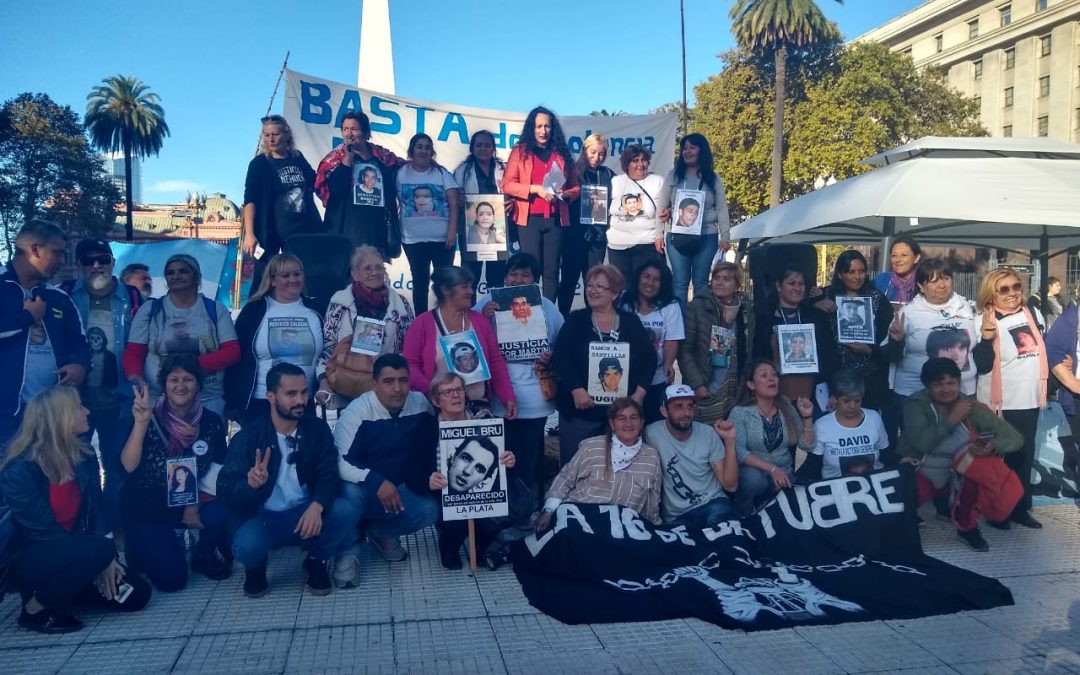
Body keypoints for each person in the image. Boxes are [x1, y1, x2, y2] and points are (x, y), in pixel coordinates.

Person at [0, 387, 151, 633]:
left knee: (137, 594)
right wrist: (97, 558)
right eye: (79, 407)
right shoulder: (19, 469)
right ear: (61, 417)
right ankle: (33, 609)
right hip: (31, 558)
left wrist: (107, 560)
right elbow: (42, 531)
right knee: (100, 550)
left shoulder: (84, 455)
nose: (87, 411)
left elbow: (98, 511)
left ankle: (66, 595)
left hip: (80, 552)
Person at [217, 363, 354, 598]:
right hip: (263, 518)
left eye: (303, 392)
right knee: (247, 544)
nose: (300, 400)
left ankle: (316, 560)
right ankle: (256, 567)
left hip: (305, 512)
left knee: (345, 509)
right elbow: (226, 491)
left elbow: (329, 474)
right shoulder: (248, 438)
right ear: (271, 397)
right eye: (291, 394)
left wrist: (318, 504)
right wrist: (250, 486)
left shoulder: (316, 429)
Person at [120, 354, 231, 591]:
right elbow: (128, 466)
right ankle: (142, 547)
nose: (181, 386)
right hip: (150, 508)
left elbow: (219, 469)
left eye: (188, 379)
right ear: (165, 384)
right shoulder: (147, 417)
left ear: (198, 384)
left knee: (227, 507)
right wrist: (140, 424)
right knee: (172, 581)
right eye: (174, 379)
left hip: (194, 503)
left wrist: (191, 505)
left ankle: (203, 554)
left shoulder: (211, 421)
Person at [899, 358, 1024, 552]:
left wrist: (991, 445)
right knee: (905, 499)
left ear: (959, 383)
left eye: (951, 383)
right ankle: (903, 525)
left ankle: (967, 529)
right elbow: (921, 442)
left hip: (958, 470)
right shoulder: (915, 404)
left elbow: (1014, 437)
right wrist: (953, 418)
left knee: (977, 474)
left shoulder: (970, 406)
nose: (946, 389)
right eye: (938, 384)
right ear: (927, 387)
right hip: (922, 466)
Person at [332, 355, 439, 577]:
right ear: (374, 384)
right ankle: (347, 551)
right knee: (347, 498)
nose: (398, 388)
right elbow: (338, 461)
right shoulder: (357, 412)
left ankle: (381, 533)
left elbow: (440, 434)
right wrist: (376, 481)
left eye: (403, 380)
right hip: (364, 488)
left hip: (399, 489)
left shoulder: (420, 403)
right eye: (389, 382)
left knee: (430, 509)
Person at [64, 237, 144, 534]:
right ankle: (92, 530)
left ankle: (112, 530)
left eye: (102, 258)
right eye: (88, 260)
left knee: (118, 470)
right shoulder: (65, 297)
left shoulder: (134, 298)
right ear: (79, 265)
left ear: (112, 261)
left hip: (120, 400)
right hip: (76, 404)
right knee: (80, 472)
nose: (96, 265)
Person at [476, 253, 565, 500]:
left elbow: (564, 344)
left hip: (535, 400)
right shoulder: (487, 302)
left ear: (534, 281)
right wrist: (482, 318)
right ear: (504, 278)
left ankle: (523, 515)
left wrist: (551, 357)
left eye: (524, 274)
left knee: (524, 463)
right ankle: (498, 515)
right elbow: (466, 340)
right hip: (495, 399)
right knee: (494, 459)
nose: (517, 279)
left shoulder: (547, 307)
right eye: (512, 274)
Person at [551, 264, 656, 465]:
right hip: (581, 412)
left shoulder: (630, 322)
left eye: (600, 286)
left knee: (618, 467)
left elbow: (650, 360)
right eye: (589, 285)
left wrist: (638, 396)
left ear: (615, 293)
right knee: (577, 466)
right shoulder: (576, 319)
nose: (592, 290)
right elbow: (560, 357)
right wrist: (576, 389)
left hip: (620, 414)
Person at [0, 220, 89, 448]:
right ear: (35, 249)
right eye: (57, 253)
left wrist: (80, 365)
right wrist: (27, 317)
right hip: (6, 418)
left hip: (52, 417)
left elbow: (79, 342)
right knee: (10, 481)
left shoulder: (59, 298)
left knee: (51, 481)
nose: (62, 261)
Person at [415, 372, 516, 569]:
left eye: (459, 390)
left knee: (487, 522)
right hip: (444, 492)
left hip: (481, 493)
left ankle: (482, 546)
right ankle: (449, 546)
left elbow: (505, 454)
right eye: (448, 392)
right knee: (455, 523)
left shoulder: (485, 419)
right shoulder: (427, 427)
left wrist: (509, 459)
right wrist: (428, 481)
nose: (455, 396)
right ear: (436, 401)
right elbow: (413, 469)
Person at [972, 268, 1047, 529]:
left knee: (1023, 457)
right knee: (996, 459)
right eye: (1004, 289)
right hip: (998, 404)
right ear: (991, 294)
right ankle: (995, 510)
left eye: (1016, 287)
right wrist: (985, 337)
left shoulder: (1032, 313)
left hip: (1029, 399)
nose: (1013, 293)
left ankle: (1019, 508)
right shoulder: (983, 319)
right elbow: (981, 366)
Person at [124, 255, 239, 417]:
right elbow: (134, 352)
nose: (176, 276)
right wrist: (135, 377)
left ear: (197, 278)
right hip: (159, 399)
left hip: (207, 399)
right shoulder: (149, 310)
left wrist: (186, 367)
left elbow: (232, 351)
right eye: (170, 273)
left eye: (183, 271)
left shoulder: (215, 310)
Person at [402, 266, 517, 418]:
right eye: (464, 287)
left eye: (471, 286)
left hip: (479, 408)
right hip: (438, 410)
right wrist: (432, 390)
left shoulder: (480, 322)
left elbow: (496, 362)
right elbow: (410, 365)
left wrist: (508, 397)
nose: (471, 291)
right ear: (445, 289)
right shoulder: (422, 324)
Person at [226, 254, 326, 425]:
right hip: (261, 401)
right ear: (272, 280)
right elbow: (237, 359)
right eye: (285, 276)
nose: (293, 280)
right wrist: (232, 401)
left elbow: (328, 352)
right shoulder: (254, 311)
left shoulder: (317, 309)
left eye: (297, 274)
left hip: (303, 401)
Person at [536, 398, 661, 531]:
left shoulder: (651, 457)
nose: (628, 423)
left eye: (633, 417)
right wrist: (548, 511)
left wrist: (654, 530)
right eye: (621, 418)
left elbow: (652, 503)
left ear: (641, 423)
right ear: (612, 424)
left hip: (622, 528)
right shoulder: (591, 447)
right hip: (580, 519)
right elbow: (565, 479)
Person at [320, 246, 415, 409]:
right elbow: (327, 348)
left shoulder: (400, 304)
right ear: (354, 274)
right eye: (367, 268)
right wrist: (323, 383)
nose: (375, 272)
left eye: (379, 267)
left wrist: (388, 361)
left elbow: (409, 348)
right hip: (346, 388)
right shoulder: (339, 304)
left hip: (387, 394)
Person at [503, 106, 580, 301]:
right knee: (530, 271)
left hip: (555, 220)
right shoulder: (519, 152)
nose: (543, 131)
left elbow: (575, 187)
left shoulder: (561, 154)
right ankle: (528, 317)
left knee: (552, 272)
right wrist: (535, 189)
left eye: (547, 126)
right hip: (528, 220)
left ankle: (548, 315)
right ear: (532, 128)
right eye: (539, 126)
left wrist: (565, 195)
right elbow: (508, 184)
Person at [884, 258, 980, 404]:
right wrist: (896, 342)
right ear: (921, 286)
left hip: (963, 392)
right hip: (915, 394)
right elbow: (889, 356)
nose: (942, 285)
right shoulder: (908, 313)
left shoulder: (967, 307)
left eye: (946, 279)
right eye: (934, 281)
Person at [728, 359, 815, 516]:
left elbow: (807, 445)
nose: (772, 379)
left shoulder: (786, 406)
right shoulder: (739, 412)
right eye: (764, 375)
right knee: (752, 479)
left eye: (774, 375)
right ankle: (745, 515)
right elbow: (739, 451)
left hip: (785, 475)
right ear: (751, 384)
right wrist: (772, 469)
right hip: (757, 476)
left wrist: (807, 417)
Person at [644, 384, 738, 529]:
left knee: (725, 539)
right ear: (664, 411)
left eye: (690, 406)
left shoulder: (708, 433)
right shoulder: (651, 434)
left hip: (712, 504)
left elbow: (730, 486)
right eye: (678, 407)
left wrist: (730, 441)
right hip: (677, 516)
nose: (686, 413)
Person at [811, 250, 894, 412]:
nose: (857, 277)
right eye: (851, 272)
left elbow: (887, 340)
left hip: (870, 380)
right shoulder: (827, 295)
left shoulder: (877, 299)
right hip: (835, 378)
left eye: (861, 271)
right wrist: (815, 304)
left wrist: (869, 350)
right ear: (840, 274)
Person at [242, 115, 323, 281]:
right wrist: (249, 234)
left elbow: (315, 182)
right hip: (272, 233)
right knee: (265, 280)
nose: (271, 139)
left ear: (286, 135)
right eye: (267, 135)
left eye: (275, 134)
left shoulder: (297, 157)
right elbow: (250, 199)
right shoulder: (259, 163)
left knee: (303, 278)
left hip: (303, 231)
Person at [314, 111, 403, 255]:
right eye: (345, 129)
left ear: (366, 133)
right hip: (344, 233)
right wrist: (347, 160)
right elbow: (333, 193)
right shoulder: (333, 160)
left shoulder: (382, 158)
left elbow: (405, 171)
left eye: (354, 129)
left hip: (376, 234)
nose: (349, 134)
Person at [679, 262, 755, 425]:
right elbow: (685, 350)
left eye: (727, 279)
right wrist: (698, 384)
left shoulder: (746, 309)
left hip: (736, 390)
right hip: (707, 387)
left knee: (730, 440)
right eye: (716, 278)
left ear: (737, 285)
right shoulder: (696, 307)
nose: (719, 282)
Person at [396, 133, 461, 314]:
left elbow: (454, 203)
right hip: (412, 239)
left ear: (432, 152)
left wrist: (451, 232)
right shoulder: (401, 174)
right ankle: (421, 322)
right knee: (420, 281)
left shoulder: (442, 173)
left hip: (442, 239)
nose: (423, 151)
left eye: (427, 147)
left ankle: (446, 319)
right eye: (419, 146)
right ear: (412, 151)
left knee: (444, 283)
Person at [663, 134, 731, 307]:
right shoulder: (673, 175)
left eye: (692, 147)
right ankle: (679, 329)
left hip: (707, 236)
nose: (688, 151)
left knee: (701, 283)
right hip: (678, 236)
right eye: (685, 148)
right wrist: (658, 234)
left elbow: (722, 208)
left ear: (702, 150)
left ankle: (699, 327)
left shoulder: (713, 178)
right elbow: (662, 208)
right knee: (679, 283)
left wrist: (725, 236)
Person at [752, 266, 836, 404]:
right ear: (779, 286)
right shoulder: (765, 319)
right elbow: (757, 357)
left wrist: (834, 391)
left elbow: (830, 355)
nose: (797, 288)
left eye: (801, 284)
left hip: (813, 395)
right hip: (776, 395)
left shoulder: (816, 317)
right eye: (791, 283)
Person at [621, 262, 685, 425]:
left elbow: (672, 338)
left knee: (652, 425)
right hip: (624, 376)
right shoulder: (623, 302)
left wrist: (669, 364)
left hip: (655, 378)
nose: (650, 283)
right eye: (647, 277)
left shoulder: (671, 306)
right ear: (638, 278)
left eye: (657, 279)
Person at [559, 133, 615, 317]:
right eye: (592, 152)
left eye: (601, 153)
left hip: (597, 237)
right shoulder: (571, 172)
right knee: (568, 281)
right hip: (574, 236)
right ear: (584, 150)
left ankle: (591, 322)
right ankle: (562, 321)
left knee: (592, 282)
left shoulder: (607, 174)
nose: (596, 157)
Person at [798, 370, 889, 482]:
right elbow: (814, 463)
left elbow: (886, 453)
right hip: (836, 488)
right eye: (846, 401)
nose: (852, 406)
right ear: (835, 398)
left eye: (857, 401)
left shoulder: (874, 418)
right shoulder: (822, 425)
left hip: (874, 484)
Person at [607, 144, 670, 286]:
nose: (640, 164)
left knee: (647, 289)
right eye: (635, 160)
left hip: (647, 244)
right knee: (622, 290)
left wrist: (669, 212)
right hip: (618, 246)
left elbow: (670, 207)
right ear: (626, 164)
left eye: (644, 160)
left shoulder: (658, 182)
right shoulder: (615, 182)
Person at [454, 130, 509, 291]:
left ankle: (494, 316)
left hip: (498, 230)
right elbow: (454, 198)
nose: (483, 149)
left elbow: (511, 192)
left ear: (493, 149)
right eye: (479, 145)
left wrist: (510, 202)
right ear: (472, 148)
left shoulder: (503, 169)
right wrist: (459, 199)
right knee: (470, 278)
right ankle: (469, 314)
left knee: (496, 278)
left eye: (487, 145)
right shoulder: (462, 171)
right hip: (470, 231)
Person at [873, 236, 923, 305]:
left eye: (904, 255)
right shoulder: (881, 281)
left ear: (916, 258)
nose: (898, 260)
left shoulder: (924, 282)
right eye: (894, 255)